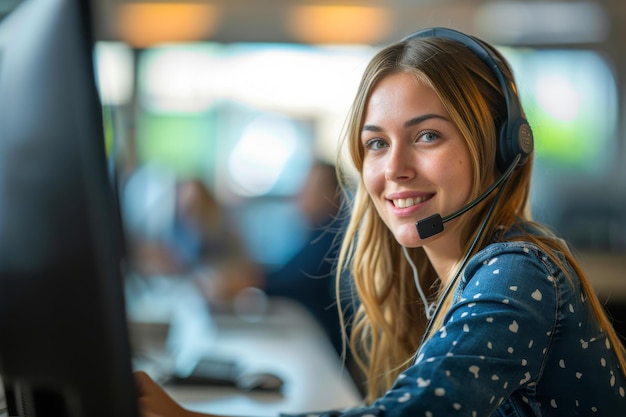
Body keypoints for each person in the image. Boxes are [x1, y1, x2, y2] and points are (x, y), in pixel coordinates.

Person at [134, 27, 626, 416]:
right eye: (376, 143)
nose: (394, 169)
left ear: (499, 150)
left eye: (428, 135)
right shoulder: (450, 277)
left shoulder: (517, 272)